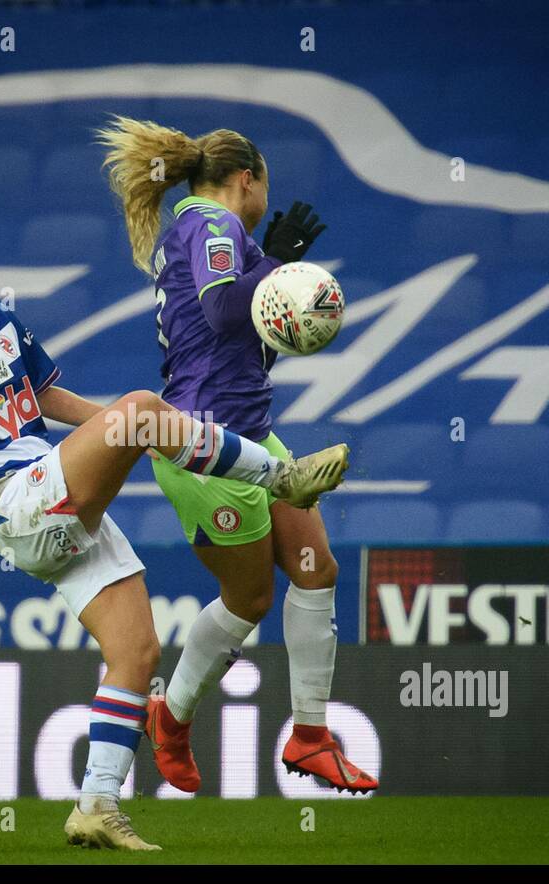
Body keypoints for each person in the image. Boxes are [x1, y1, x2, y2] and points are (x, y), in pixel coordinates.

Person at [0, 182, 350, 849]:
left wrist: (138, 430)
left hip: (56, 494)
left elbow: (46, 397)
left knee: (136, 650)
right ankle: (281, 476)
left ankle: (95, 803)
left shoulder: (0, 324)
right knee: (141, 407)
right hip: (14, 505)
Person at [97, 117, 379, 794]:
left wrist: (268, 265)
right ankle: (170, 715)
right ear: (246, 180)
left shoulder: (202, 233)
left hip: (248, 428)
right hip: (206, 443)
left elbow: (232, 340)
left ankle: (311, 736)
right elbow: (228, 313)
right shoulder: (214, 226)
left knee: (316, 568)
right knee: (249, 598)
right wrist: (275, 267)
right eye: (264, 187)